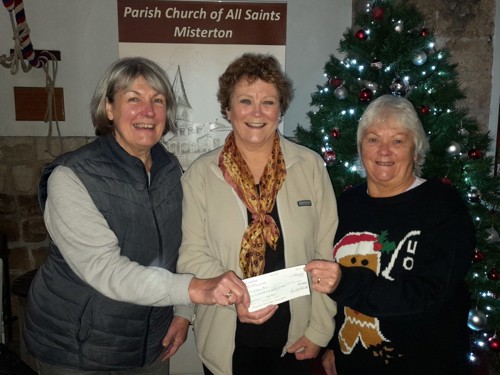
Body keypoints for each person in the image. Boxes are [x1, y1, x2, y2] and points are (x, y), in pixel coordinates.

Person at [23, 56, 250, 375]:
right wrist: (193, 289)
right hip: (79, 346)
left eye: (158, 100)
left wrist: (184, 311)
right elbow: (105, 270)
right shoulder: (72, 176)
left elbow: (183, 246)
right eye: (134, 99)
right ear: (109, 109)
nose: (148, 111)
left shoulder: (169, 169)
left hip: (151, 340)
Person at [176, 53, 338, 375]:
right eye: (245, 101)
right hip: (227, 333)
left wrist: (320, 329)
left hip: (296, 336)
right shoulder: (201, 174)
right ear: (228, 109)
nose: (256, 112)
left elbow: (326, 252)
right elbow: (192, 256)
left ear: (280, 110)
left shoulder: (310, 167)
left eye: (268, 102)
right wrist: (238, 295)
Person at [305, 94, 475, 375]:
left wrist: (346, 283)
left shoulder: (442, 205)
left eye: (398, 141)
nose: (384, 152)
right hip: (354, 361)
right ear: (360, 148)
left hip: (425, 363)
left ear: (416, 150)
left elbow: (429, 296)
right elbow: (330, 285)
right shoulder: (345, 205)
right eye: (373, 139)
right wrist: (334, 344)